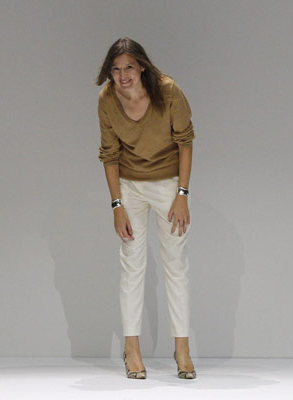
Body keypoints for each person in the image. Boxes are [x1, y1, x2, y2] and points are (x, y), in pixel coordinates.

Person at [94, 37, 197, 379]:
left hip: (169, 184)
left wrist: (182, 194)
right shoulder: (107, 99)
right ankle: (132, 349)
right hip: (130, 187)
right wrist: (117, 205)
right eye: (115, 69)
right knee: (132, 267)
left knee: (176, 266)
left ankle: (182, 348)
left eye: (129, 67)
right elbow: (109, 154)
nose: (122, 76)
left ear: (141, 66)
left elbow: (185, 142)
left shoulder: (168, 92)